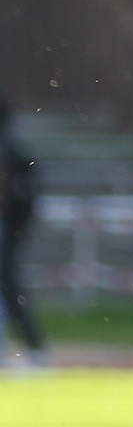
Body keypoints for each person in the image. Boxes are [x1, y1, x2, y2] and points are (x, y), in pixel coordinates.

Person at [0, 98, 48, 369]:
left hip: (7, 227)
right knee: (8, 285)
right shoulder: (14, 152)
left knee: (7, 284)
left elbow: (21, 197)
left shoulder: (11, 153)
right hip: (11, 227)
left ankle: (31, 349)